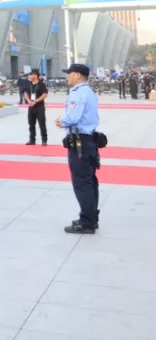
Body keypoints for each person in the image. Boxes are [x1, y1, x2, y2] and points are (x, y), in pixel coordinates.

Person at [58, 63, 101, 234]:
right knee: (90, 181)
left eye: (69, 73)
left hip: (79, 142)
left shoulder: (77, 92)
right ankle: (91, 217)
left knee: (81, 182)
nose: (67, 76)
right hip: (89, 140)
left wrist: (61, 121)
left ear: (77, 75)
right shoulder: (89, 92)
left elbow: (73, 117)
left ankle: (87, 222)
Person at [24, 69, 48, 146]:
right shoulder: (28, 84)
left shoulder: (41, 84)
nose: (30, 76)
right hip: (31, 106)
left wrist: (35, 101)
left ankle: (44, 140)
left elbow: (45, 94)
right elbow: (25, 93)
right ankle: (32, 140)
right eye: (30, 74)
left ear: (36, 75)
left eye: (31, 74)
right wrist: (28, 101)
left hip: (39, 107)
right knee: (31, 124)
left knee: (42, 124)